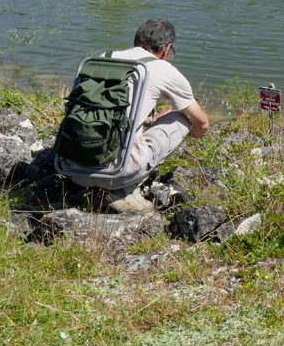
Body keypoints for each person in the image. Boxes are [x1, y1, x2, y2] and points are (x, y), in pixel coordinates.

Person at [58, 18, 210, 213]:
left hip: (71, 167)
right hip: (117, 174)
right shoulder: (162, 69)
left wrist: (148, 120)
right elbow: (201, 122)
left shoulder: (101, 58)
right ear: (167, 48)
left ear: (137, 41)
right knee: (182, 118)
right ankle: (124, 191)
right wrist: (193, 133)